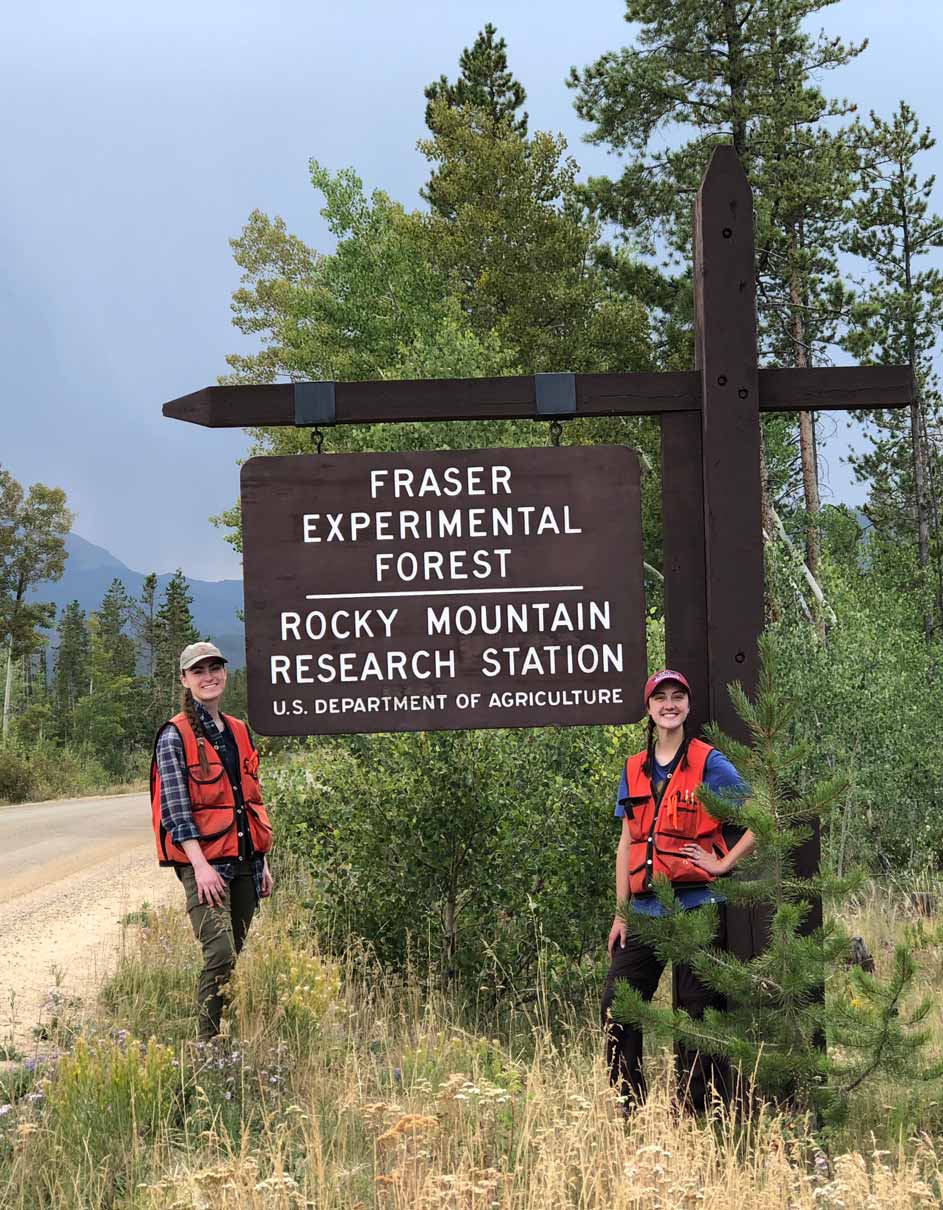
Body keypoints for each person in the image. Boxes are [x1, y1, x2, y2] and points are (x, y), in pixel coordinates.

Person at [601, 669, 755, 1112]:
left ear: (687, 706)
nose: (670, 704)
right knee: (618, 1004)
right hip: (646, 911)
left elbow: (760, 813)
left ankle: (695, 1115)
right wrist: (620, 913)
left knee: (697, 1014)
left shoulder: (709, 762)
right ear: (648, 709)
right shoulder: (634, 768)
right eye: (660, 698)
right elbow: (628, 841)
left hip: (697, 907)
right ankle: (629, 1106)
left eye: (677, 697)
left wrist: (723, 862)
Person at [151, 641, 274, 1040]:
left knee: (233, 953)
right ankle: (205, 1043)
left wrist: (263, 859)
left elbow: (249, 797)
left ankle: (227, 1036)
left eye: (214, 668)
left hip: (245, 862)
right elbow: (175, 810)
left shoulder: (238, 729)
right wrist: (198, 867)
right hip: (205, 866)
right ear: (185, 680)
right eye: (199, 671)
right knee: (218, 952)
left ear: (224, 673)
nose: (209, 677)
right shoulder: (175, 735)